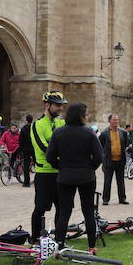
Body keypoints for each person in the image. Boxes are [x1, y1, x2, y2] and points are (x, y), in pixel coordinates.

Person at [46, 102, 103, 254]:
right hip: (86, 176)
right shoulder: (89, 132)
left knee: (64, 211)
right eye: (86, 114)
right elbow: (99, 156)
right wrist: (90, 168)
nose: (87, 116)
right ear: (81, 116)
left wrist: (61, 166)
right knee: (88, 211)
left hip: (65, 176)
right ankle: (92, 246)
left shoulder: (58, 132)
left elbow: (50, 156)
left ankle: (59, 245)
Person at [29, 91, 68, 242]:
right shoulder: (37, 125)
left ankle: (59, 238)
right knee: (40, 208)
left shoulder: (61, 123)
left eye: (61, 105)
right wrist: (61, 156)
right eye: (58, 105)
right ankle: (35, 238)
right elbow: (43, 147)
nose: (60, 108)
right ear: (47, 105)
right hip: (45, 173)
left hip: (60, 173)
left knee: (62, 207)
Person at [98, 113, 130, 205]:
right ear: (110, 121)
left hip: (120, 160)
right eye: (114, 120)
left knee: (121, 181)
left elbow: (126, 145)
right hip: (109, 161)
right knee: (107, 181)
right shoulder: (104, 133)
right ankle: (105, 199)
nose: (116, 121)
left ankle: (122, 198)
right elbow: (100, 146)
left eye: (117, 120)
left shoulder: (123, 132)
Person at [18, 114, 34, 187]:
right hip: (34, 148)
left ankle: (26, 182)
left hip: (26, 149)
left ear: (26, 120)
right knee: (38, 164)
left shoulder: (24, 128)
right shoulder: (34, 127)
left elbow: (21, 140)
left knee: (26, 166)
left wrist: (21, 149)